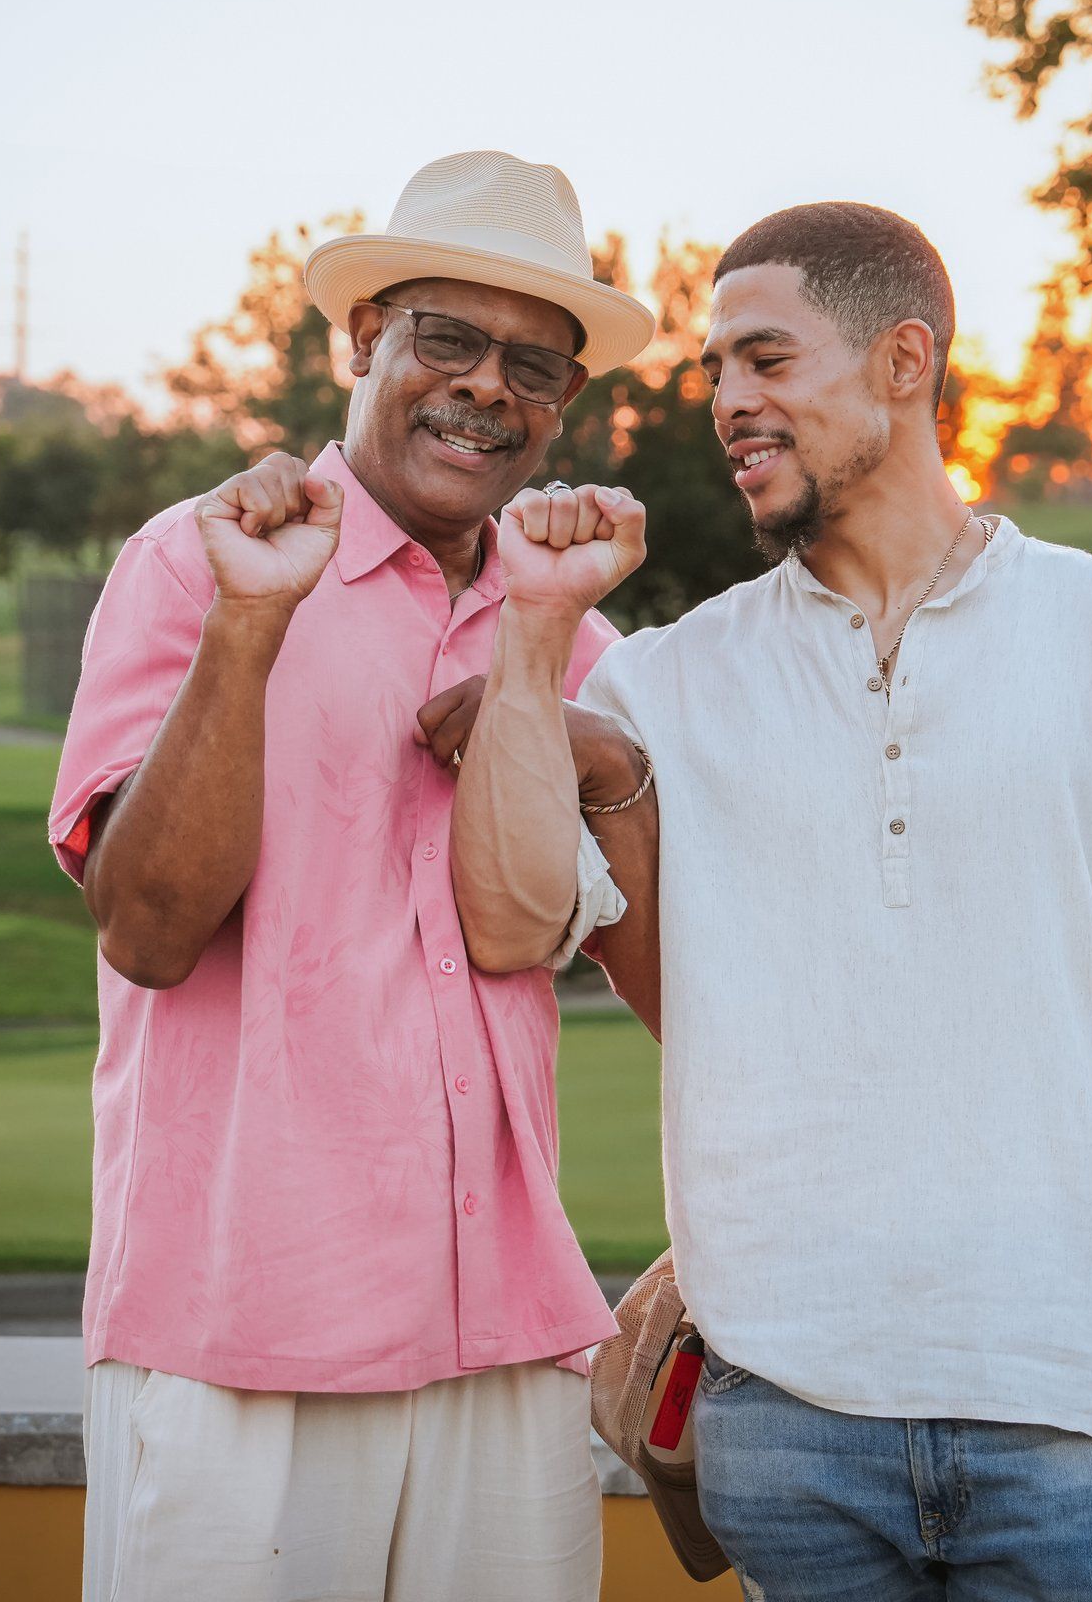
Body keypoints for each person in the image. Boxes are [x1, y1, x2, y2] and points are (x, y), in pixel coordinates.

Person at [451, 200, 1092, 1599]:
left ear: (906, 361)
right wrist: (536, 646)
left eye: (766, 362)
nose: (728, 405)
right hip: (784, 1427)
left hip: (1071, 1412)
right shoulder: (662, 683)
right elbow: (511, 924)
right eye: (716, 373)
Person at [46, 150, 659, 1602]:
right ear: (357, 340)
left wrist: (592, 749)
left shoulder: (566, 621)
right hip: (241, 1331)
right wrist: (256, 629)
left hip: (502, 1335)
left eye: (536, 367)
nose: (490, 390)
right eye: (446, 338)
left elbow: (664, 980)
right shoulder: (201, 566)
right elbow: (145, 929)